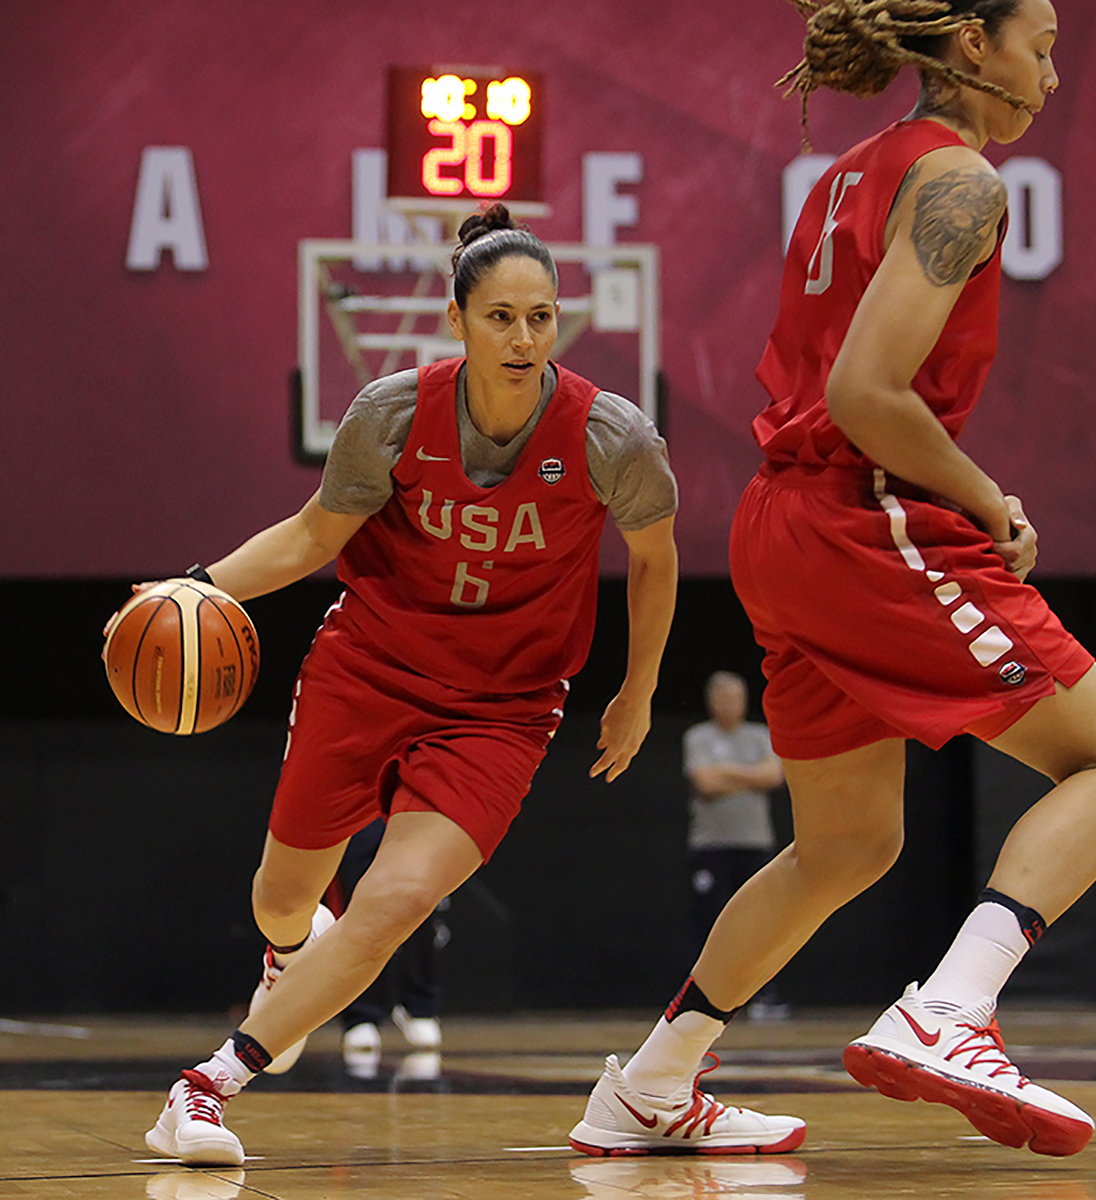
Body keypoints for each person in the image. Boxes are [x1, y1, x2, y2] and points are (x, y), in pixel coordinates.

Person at [571, 0, 1096, 1159]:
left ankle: (649, 1085)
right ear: (971, 44)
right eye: (1040, 47)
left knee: (847, 846)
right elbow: (866, 393)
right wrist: (985, 494)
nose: (1052, 76)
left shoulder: (852, 170)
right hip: (864, 518)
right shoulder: (959, 182)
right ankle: (952, 1012)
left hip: (780, 525)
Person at [136, 203, 681, 1166]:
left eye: (542, 316)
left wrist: (637, 690)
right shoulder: (391, 413)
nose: (523, 337)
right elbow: (311, 539)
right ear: (458, 320)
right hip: (370, 670)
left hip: (502, 711)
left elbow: (654, 560)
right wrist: (200, 583)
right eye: (502, 316)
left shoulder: (612, 436)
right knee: (281, 897)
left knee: (392, 903)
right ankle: (287, 957)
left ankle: (204, 1089)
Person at [683, 672, 788, 1017]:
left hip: (754, 842)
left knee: (760, 922)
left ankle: (763, 996)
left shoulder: (759, 735)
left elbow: (773, 775)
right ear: (712, 701)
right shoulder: (698, 737)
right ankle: (705, 999)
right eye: (724, 698)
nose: (731, 705)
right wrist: (748, 775)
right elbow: (705, 782)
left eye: (737, 697)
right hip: (710, 845)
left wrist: (726, 772)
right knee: (711, 920)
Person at [327, 818, 445, 1077]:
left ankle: (418, 1005)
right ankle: (361, 1015)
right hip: (361, 801)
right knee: (360, 903)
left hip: (417, 799)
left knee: (421, 899)